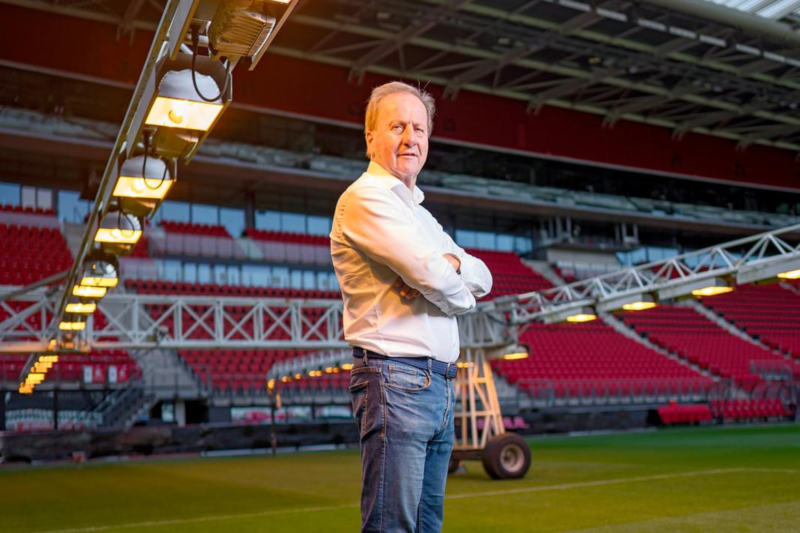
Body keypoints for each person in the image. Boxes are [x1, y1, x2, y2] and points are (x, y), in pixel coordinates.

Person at [329, 81, 493, 533]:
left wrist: (449, 267)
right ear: (370, 137)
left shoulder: (420, 215)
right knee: (394, 527)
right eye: (397, 126)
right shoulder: (365, 198)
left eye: (419, 129)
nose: (411, 138)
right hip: (397, 380)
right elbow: (436, 278)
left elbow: (483, 276)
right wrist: (451, 286)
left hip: (437, 385)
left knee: (426, 526)